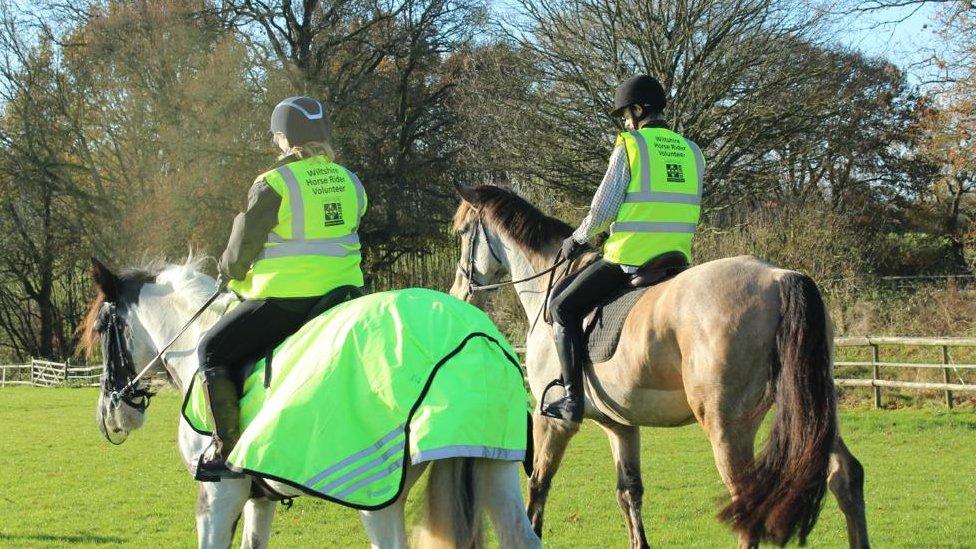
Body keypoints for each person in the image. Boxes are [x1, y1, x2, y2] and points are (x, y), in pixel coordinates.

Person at [196, 96, 368, 479]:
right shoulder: (351, 182)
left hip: (286, 301)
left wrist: (229, 272)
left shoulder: (274, 182)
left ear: (283, 138)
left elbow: (242, 248)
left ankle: (227, 452)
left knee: (211, 350)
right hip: (344, 298)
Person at [542, 75, 705, 423]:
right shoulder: (693, 152)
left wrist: (580, 239)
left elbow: (603, 210)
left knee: (561, 307)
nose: (626, 122)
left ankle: (572, 399)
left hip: (629, 259)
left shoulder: (631, 145)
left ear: (637, 109)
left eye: (626, 114)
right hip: (677, 258)